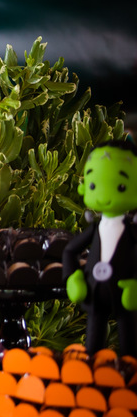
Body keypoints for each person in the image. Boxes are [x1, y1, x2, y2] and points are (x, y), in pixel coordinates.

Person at [64, 139, 137, 356]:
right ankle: (91, 367)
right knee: (93, 342)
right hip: (94, 293)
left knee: (129, 342)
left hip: (124, 294)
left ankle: (130, 368)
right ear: (84, 187)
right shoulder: (94, 228)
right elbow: (70, 251)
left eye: (121, 186)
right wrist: (73, 277)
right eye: (94, 186)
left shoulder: (132, 232)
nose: (104, 195)